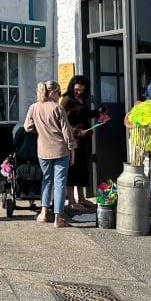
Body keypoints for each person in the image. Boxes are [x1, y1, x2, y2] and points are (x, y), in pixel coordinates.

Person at [24, 80, 76, 229]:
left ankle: (43, 213)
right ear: (53, 92)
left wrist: (39, 130)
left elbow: (27, 127)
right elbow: (67, 131)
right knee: (60, 184)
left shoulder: (34, 107)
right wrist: (72, 149)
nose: (59, 96)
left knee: (47, 181)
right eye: (58, 93)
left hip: (43, 150)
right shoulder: (58, 108)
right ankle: (58, 218)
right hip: (60, 149)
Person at [59, 75, 104, 214]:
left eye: (82, 89)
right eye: (77, 89)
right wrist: (76, 131)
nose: (79, 92)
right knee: (73, 170)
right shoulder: (67, 100)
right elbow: (61, 122)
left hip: (84, 140)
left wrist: (98, 113)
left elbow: (84, 114)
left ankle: (82, 198)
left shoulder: (81, 99)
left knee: (83, 169)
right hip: (74, 141)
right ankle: (72, 201)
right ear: (72, 86)